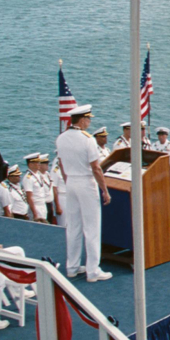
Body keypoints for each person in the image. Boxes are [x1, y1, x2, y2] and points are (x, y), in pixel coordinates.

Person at [54, 105, 113, 282]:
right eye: (88, 119)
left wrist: (69, 181)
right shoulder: (88, 140)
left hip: (71, 182)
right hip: (86, 183)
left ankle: (72, 267)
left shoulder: (61, 138)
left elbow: (62, 164)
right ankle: (93, 271)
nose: (89, 122)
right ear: (81, 120)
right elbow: (96, 168)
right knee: (92, 228)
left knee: (73, 226)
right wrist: (105, 190)